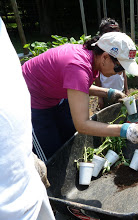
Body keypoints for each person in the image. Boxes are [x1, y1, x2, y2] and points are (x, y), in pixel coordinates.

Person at [22, 32, 138, 160]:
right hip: (31, 102)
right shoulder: (77, 67)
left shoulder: (90, 59)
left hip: (55, 96)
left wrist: (107, 92)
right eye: (119, 68)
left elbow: (77, 85)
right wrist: (125, 130)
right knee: (50, 154)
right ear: (105, 57)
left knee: (69, 138)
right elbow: (82, 125)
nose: (120, 73)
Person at [0, 17, 55, 219]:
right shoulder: (77, 65)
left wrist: (23, 155)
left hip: (25, 182)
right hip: (7, 204)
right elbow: (81, 123)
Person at [95, 18, 129, 109]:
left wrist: (126, 90)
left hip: (119, 90)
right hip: (106, 93)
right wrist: (100, 97)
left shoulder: (119, 52)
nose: (118, 72)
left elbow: (123, 73)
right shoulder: (98, 58)